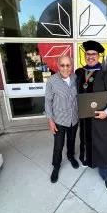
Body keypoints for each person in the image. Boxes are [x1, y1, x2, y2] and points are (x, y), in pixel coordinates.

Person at [75, 40, 107, 194]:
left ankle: (105, 173)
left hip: (101, 118)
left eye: (93, 54)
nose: (90, 56)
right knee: (84, 138)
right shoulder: (79, 73)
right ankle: (87, 159)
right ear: (85, 55)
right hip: (85, 119)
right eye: (88, 53)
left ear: (98, 56)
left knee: (102, 142)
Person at [45, 55, 79, 183]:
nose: (65, 68)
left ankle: (71, 156)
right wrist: (50, 121)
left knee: (71, 140)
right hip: (59, 120)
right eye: (62, 65)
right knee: (58, 145)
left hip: (73, 119)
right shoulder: (52, 81)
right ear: (58, 66)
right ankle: (56, 166)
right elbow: (48, 102)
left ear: (71, 66)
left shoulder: (75, 78)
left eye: (68, 65)